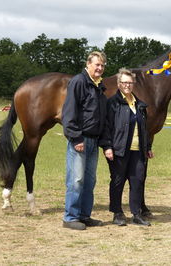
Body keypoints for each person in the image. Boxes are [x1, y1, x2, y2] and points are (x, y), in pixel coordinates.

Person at [100, 68, 154, 226]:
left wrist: (148, 147)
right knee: (118, 181)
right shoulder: (112, 103)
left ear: (134, 84)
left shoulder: (140, 105)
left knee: (137, 180)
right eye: (124, 82)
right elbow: (106, 127)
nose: (127, 85)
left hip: (138, 150)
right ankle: (117, 213)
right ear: (118, 84)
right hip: (119, 149)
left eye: (130, 82)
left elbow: (145, 128)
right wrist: (107, 147)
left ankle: (136, 214)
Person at [61, 51, 108, 230]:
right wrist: (76, 137)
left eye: (102, 65)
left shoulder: (99, 86)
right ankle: (70, 217)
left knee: (89, 181)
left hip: (94, 141)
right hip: (80, 140)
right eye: (97, 64)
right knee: (76, 179)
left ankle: (84, 215)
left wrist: (103, 142)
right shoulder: (79, 82)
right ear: (88, 64)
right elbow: (69, 112)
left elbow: (101, 116)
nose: (100, 68)